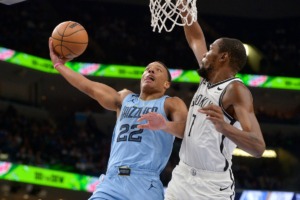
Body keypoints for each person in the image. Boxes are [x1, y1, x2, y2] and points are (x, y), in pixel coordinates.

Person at [48, 38, 188, 200]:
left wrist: (164, 125)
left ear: (166, 84)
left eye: (157, 70)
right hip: (112, 181)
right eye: (148, 69)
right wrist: (59, 66)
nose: (150, 71)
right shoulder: (124, 98)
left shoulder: (172, 103)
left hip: (144, 183)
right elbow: (88, 86)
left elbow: (185, 131)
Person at [163, 6, 266, 200]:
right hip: (182, 175)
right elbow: (195, 38)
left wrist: (225, 127)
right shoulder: (207, 78)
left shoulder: (236, 91)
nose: (205, 54)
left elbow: (258, 147)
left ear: (223, 57)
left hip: (212, 186)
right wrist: (185, 9)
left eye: (211, 50)